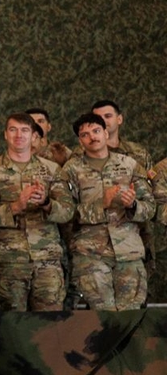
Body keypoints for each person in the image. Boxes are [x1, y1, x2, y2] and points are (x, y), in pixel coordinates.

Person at [0, 113, 69, 311]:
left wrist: (46, 202)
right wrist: (16, 206)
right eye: (13, 129)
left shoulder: (52, 170)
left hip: (47, 261)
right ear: (5, 134)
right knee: (12, 328)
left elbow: (67, 212)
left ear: (34, 136)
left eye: (25, 130)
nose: (19, 135)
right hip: (9, 263)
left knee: (50, 328)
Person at [57, 113, 154, 310]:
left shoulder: (129, 165)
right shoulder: (70, 171)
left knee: (130, 317)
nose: (92, 137)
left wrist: (133, 205)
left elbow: (150, 208)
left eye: (96, 131)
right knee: (103, 318)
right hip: (91, 255)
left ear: (105, 132)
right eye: (85, 134)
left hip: (129, 252)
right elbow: (65, 214)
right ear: (79, 141)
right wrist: (102, 204)